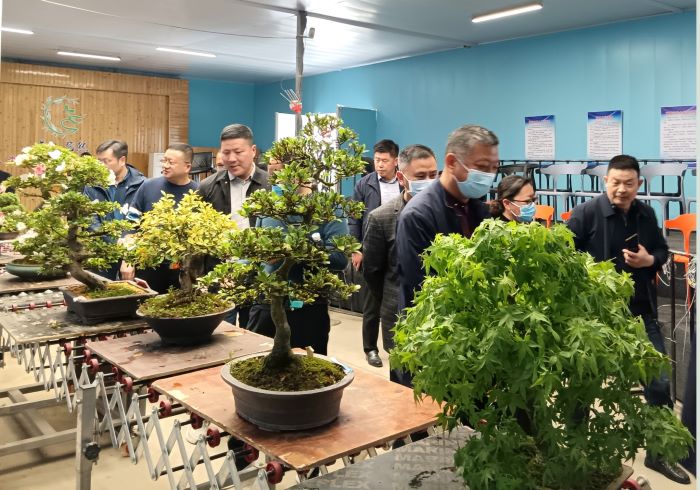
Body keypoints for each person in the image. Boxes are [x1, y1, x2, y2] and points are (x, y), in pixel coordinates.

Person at [567, 154, 691, 485]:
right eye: (616, 182)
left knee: (659, 383)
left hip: (639, 313)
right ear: (605, 181)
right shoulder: (584, 214)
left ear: (639, 184)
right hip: (593, 318)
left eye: (629, 183)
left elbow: (662, 251)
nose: (622, 189)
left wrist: (649, 260)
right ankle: (574, 453)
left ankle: (658, 453)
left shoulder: (646, 214)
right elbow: (563, 258)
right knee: (583, 385)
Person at [246, 163, 348, 355]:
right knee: (257, 360)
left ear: (303, 174)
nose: (275, 179)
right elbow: (255, 253)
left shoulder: (328, 208)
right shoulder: (268, 206)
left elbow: (340, 258)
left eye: (280, 172)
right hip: (266, 303)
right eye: (272, 173)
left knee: (308, 365)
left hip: (307, 305)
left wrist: (293, 251)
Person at [396, 125, 500, 314]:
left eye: (494, 168)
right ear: (451, 162)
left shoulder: (479, 210)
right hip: (434, 324)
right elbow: (421, 288)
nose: (489, 175)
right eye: (482, 167)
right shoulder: (418, 215)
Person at [362, 144, 438, 380]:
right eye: (421, 176)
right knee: (404, 383)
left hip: (441, 316)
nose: (429, 182)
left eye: (433, 175)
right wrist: (393, 296)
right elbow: (372, 272)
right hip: (400, 316)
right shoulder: (381, 218)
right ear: (402, 178)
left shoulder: (446, 213)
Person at [198, 124, 269, 327]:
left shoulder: (271, 185)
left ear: (253, 151)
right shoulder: (207, 187)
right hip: (220, 275)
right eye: (226, 152)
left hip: (259, 276)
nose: (231, 158)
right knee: (220, 333)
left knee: (255, 335)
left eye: (238, 152)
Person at [349, 139, 401, 367]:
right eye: (377, 160)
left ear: (395, 161)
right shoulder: (364, 184)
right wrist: (355, 248)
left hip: (398, 249)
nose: (379, 164)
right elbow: (354, 219)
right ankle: (370, 349)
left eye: (384, 160)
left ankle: (399, 346)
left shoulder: (403, 183)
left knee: (397, 301)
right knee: (372, 303)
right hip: (372, 249)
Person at [122, 143, 198, 292]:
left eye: (171, 162)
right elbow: (130, 225)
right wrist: (127, 260)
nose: (165, 165)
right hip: (148, 267)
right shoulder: (147, 186)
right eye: (164, 160)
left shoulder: (199, 192)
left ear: (187, 167)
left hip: (183, 272)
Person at [84, 139, 145, 279]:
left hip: (133, 255)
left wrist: (129, 251)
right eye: (99, 161)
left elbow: (142, 222)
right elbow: (90, 220)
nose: (101, 166)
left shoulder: (142, 184)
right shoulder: (91, 185)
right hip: (101, 253)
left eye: (106, 161)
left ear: (122, 160)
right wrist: (115, 242)